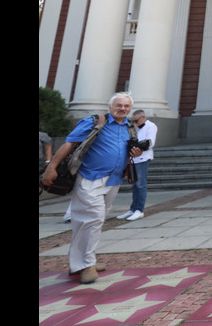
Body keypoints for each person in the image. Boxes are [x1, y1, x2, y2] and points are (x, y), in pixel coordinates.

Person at [41, 92, 143, 284]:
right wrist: (51, 168)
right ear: (110, 106)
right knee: (93, 219)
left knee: (91, 221)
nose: (123, 109)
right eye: (119, 105)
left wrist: (135, 152)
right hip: (90, 178)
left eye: (126, 106)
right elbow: (69, 143)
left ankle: (82, 261)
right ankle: (86, 264)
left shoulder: (129, 126)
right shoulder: (95, 121)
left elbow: (126, 150)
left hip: (113, 180)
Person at [116, 109, 157, 221]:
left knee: (140, 184)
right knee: (135, 184)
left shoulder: (150, 126)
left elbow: (150, 143)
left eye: (136, 121)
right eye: (133, 121)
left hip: (143, 158)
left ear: (143, 117)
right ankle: (133, 209)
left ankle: (139, 210)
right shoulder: (135, 127)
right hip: (134, 158)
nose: (134, 123)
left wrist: (136, 146)